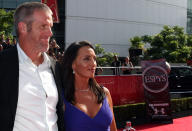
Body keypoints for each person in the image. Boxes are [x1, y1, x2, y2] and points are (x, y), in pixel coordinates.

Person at [0, 2, 64, 131]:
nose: (50, 33)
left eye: (50, 26)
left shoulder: (55, 66)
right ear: (23, 27)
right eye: (43, 26)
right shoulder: (3, 64)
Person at [61, 40, 117, 131]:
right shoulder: (61, 97)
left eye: (94, 59)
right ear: (73, 64)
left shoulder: (104, 93)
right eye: (87, 59)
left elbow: (113, 129)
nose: (93, 63)